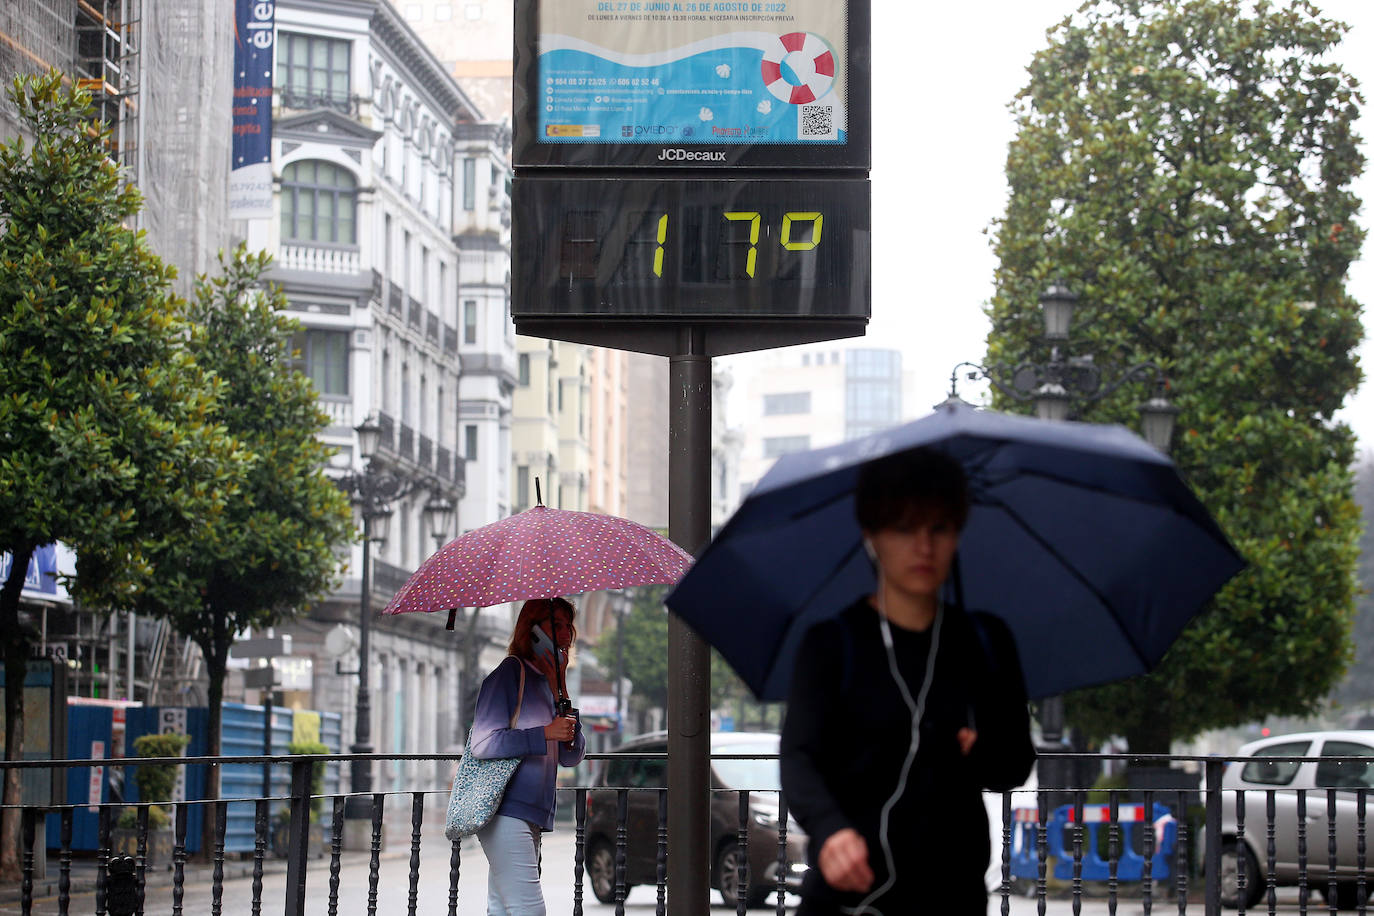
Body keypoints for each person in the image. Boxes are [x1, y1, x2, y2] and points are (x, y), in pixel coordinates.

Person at [780, 447, 1036, 915]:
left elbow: (1012, 763)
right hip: (847, 895)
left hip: (950, 892)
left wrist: (977, 750)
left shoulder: (985, 640)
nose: (924, 546)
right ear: (871, 535)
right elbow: (798, 755)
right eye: (904, 527)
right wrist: (830, 828)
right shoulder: (833, 642)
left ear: (957, 532)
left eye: (939, 528)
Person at [470, 597, 585, 915]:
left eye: (568, 625)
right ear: (532, 631)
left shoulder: (554, 685)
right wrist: (544, 733)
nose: (565, 633)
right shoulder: (511, 673)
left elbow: (570, 757)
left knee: (503, 909)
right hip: (506, 808)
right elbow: (484, 744)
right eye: (556, 624)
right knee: (529, 909)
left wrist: (560, 689)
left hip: (533, 812)